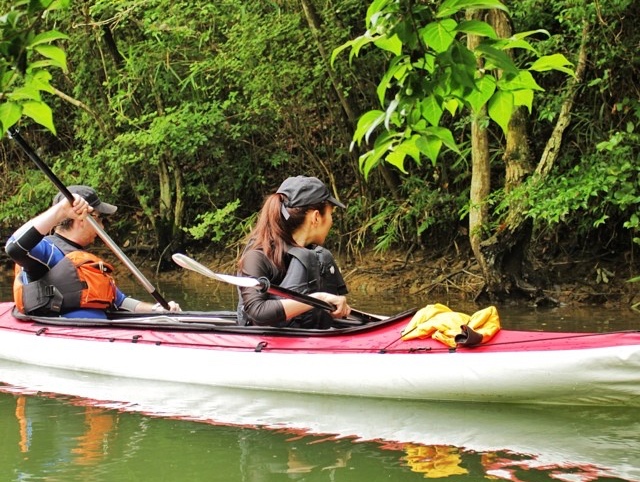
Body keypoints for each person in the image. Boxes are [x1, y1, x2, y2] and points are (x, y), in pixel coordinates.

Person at [5, 185, 181, 318]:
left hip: (99, 334)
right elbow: (13, 246)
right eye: (100, 219)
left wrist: (157, 310)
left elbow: (120, 302)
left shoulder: (86, 261)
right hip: (64, 338)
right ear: (81, 218)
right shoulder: (48, 250)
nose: (102, 227)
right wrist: (60, 211)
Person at [237, 175, 351, 328]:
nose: (332, 221)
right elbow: (258, 313)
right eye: (331, 214)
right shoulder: (257, 256)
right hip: (263, 345)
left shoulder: (314, 256)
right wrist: (319, 299)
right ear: (316, 217)